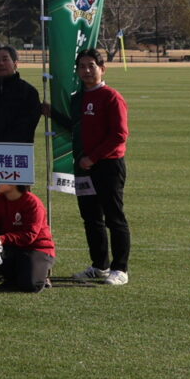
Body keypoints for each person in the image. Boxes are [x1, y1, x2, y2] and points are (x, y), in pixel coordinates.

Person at [70, 50, 131, 286]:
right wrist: (50, 112)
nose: (86, 70)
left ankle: (120, 269)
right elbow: (74, 127)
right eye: (82, 66)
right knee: (91, 218)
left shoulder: (111, 97)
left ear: (102, 69)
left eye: (91, 66)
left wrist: (93, 158)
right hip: (84, 167)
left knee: (114, 217)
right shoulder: (77, 98)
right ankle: (99, 266)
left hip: (108, 165)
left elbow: (119, 135)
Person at [0, 182, 53, 292]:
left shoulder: (32, 202)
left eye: (2, 179)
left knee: (31, 285)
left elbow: (30, 235)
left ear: (14, 183)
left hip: (36, 247)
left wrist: (3, 238)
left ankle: (40, 275)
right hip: (11, 246)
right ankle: (13, 276)